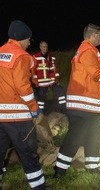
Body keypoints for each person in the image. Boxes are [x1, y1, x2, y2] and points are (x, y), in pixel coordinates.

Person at [53, 23, 100, 177]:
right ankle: (59, 170)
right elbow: (97, 74)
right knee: (75, 137)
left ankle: (93, 168)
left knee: (93, 136)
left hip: (89, 105)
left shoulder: (88, 50)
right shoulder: (87, 51)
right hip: (83, 104)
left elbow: (93, 77)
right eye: (99, 35)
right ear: (93, 35)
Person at [0, 20, 47, 190]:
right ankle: (39, 186)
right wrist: (34, 108)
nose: (29, 43)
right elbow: (23, 87)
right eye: (29, 40)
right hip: (18, 116)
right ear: (21, 39)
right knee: (28, 152)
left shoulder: (1, 52)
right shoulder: (21, 56)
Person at [32, 41, 66, 114]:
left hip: (52, 81)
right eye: (44, 47)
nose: (45, 48)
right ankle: (41, 114)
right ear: (40, 47)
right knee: (41, 99)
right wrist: (35, 81)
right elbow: (33, 70)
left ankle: (63, 110)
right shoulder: (35, 57)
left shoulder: (51, 57)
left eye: (46, 47)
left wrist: (57, 79)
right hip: (41, 82)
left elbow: (55, 69)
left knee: (61, 94)